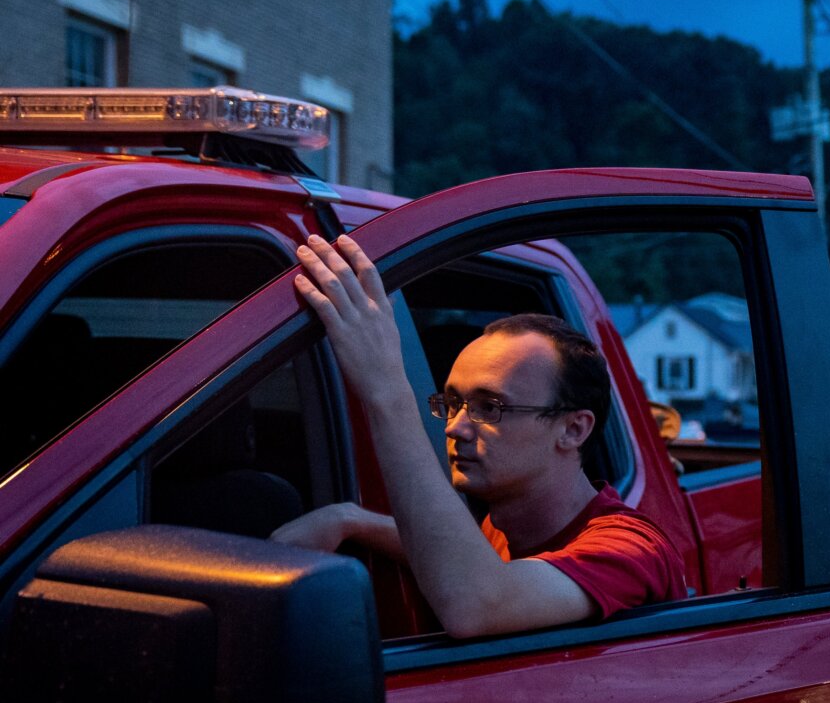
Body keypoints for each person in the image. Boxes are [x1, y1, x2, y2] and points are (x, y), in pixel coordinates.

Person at [271, 234, 686, 637]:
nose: (454, 426)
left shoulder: (629, 549)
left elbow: (476, 604)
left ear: (573, 429)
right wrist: (350, 519)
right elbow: (451, 551)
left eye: (490, 408)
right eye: (452, 403)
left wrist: (386, 388)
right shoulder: (504, 525)